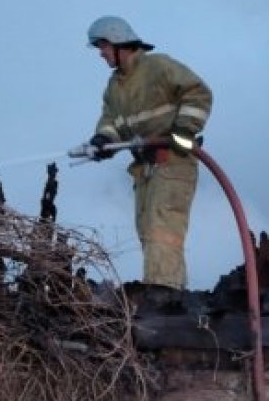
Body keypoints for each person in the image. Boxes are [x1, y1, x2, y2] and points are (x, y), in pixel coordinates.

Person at [81, 15, 212, 290]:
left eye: (103, 47)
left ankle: (164, 296)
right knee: (147, 232)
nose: (101, 54)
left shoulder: (158, 67)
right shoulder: (115, 87)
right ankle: (166, 291)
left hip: (173, 162)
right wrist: (102, 139)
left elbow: (198, 93)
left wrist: (185, 130)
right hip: (144, 169)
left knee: (162, 230)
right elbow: (111, 122)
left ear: (118, 42)